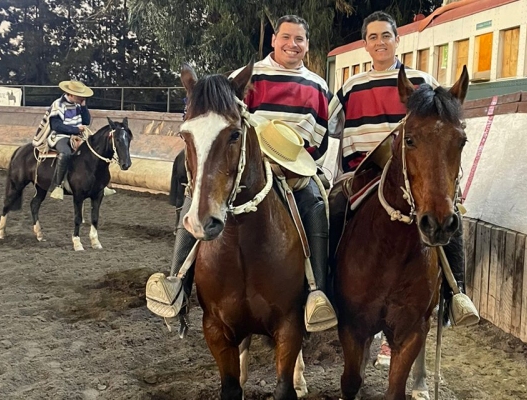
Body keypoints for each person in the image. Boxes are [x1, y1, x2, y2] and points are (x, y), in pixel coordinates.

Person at [149, 15, 338, 336]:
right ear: (274, 40)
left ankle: (316, 292)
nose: (293, 45)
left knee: (316, 203)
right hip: (246, 171)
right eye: (286, 38)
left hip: (293, 170)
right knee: (196, 199)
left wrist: (300, 162)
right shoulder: (244, 77)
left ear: (307, 45)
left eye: (300, 40)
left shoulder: (319, 86)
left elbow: (320, 140)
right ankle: (177, 282)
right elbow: (218, 123)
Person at [327, 11, 476, 365]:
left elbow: (442, 125)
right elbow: (329, 126)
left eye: (386, 36)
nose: (380, 42)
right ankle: (321, 292)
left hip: (410, 175)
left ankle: (456, 293)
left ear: (397, 40)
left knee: (448, 220)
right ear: (365, 44)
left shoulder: (423, 81)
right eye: (373, 37)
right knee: (329, 214)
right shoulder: (350, 86)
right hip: (361, 176)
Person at [32, 80, 93, 200]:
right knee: (65, 153)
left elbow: (86, 121)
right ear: (70, 94)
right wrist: (75, 129)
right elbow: (56, 126)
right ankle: (57, 185)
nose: (81, 97)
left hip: (78, 136)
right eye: (79, 95)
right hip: (60, 136)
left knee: (94, 149)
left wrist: (84, 107)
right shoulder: (58, 104)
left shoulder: (78, 104)